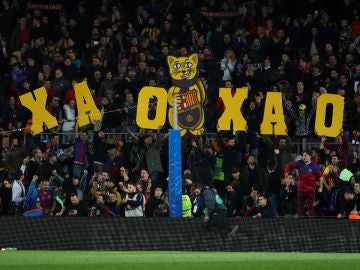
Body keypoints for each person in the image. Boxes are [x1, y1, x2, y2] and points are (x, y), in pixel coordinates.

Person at [284, 149, 324, 217]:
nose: (303, 157)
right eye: (303, 155)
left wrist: (320, 187)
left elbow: (321, 177)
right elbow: (289, 165)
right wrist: (286, 172)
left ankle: (311, 222)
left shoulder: (314, 166)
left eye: (305, 155)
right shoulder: (299, 163)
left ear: (310, 156)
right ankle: (300, 223)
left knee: (310, 207)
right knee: (300, 207)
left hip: (310, 191)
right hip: (300, 190)